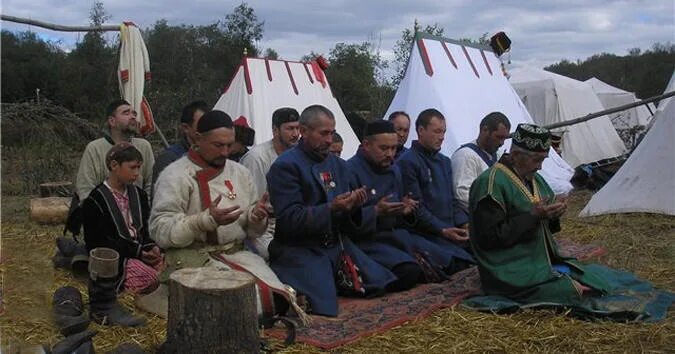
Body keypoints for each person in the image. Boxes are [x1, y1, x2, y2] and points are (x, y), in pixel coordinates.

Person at [466, 123, 673, 321]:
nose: (540, 167)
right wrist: (533, 216)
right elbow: (489, 240)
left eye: (543, 160)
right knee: (577, 292)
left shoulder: (533, 178)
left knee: (595, 279)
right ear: (517, 155)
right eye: (537, 160)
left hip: (538, 260)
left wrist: (552, 215)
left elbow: (544, 227)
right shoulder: (490, 184)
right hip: (508, 270)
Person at [266, 105, 401, 317]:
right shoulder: (285, 167)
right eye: (324, 133)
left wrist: (355, 207)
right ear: (304, 130)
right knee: (324, 306)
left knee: (385, 282)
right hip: (301, 248)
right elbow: (289, 220)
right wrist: (331, 208)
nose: (330, 140)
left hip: (337, 246)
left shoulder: (339, 166)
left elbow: (349, 219)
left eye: (331, 132)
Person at [347, 120, 471, 282]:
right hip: (370, 241)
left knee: (454, 262)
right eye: (384, 148)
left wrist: (405, 211)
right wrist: (375, 211)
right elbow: (345, 221)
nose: (390, 154)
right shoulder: (349, 170)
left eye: (393, 148)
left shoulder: (394, 169)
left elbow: (404, 215)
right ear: (366, 145)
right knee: (409, 273)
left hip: (399, 235)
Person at [82, 143, 157, 327]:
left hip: (139, 253)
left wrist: (151, 247)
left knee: (171, 270)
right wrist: (137, 251)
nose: (137, 173)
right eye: (132, 167)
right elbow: (98, 242)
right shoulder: (96, 199)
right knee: (153, 278)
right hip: (119, 259)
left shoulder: (138, 194)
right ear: (114, 166)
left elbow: (146, 229)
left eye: (139, 168)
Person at [397, 109, 470, 249]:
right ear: (421, 130)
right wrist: (442, 230)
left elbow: (452, 200)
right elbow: (416, 208)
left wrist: (465, 223)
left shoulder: (444, 162)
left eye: (444, 132)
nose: (442, 137)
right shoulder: (408, 162)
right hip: (427, 236)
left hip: (450, 231)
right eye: (437, 132)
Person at [239, 107, 301, 258]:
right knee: (279, 256)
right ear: (275, 130)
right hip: (263, 226)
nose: (295, 134)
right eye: (290, 129)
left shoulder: (299, 154)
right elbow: (252, 203)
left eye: (298, 128)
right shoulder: (257, 158)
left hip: (293, 220)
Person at [75, 99, 155, 202]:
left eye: (134, 113)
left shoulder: (144, 146)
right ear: (112, 121)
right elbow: (85, 187)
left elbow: (151, 183)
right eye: (126, 113)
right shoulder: (94, 148)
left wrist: (143, 209)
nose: (133, 116)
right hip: (103, 212)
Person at [451, 112, 511, 213]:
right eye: (498, 137)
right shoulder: (465, 156)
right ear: (485, 130)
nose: (502, 143)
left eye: (504, 138)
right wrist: (490, 211)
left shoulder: (499, 155)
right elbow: (461, 194)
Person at [152, 100, 208, 185]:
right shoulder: (169, 159)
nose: (207, 129)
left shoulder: (214, 157)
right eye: (202, 124)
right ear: (186, 128)